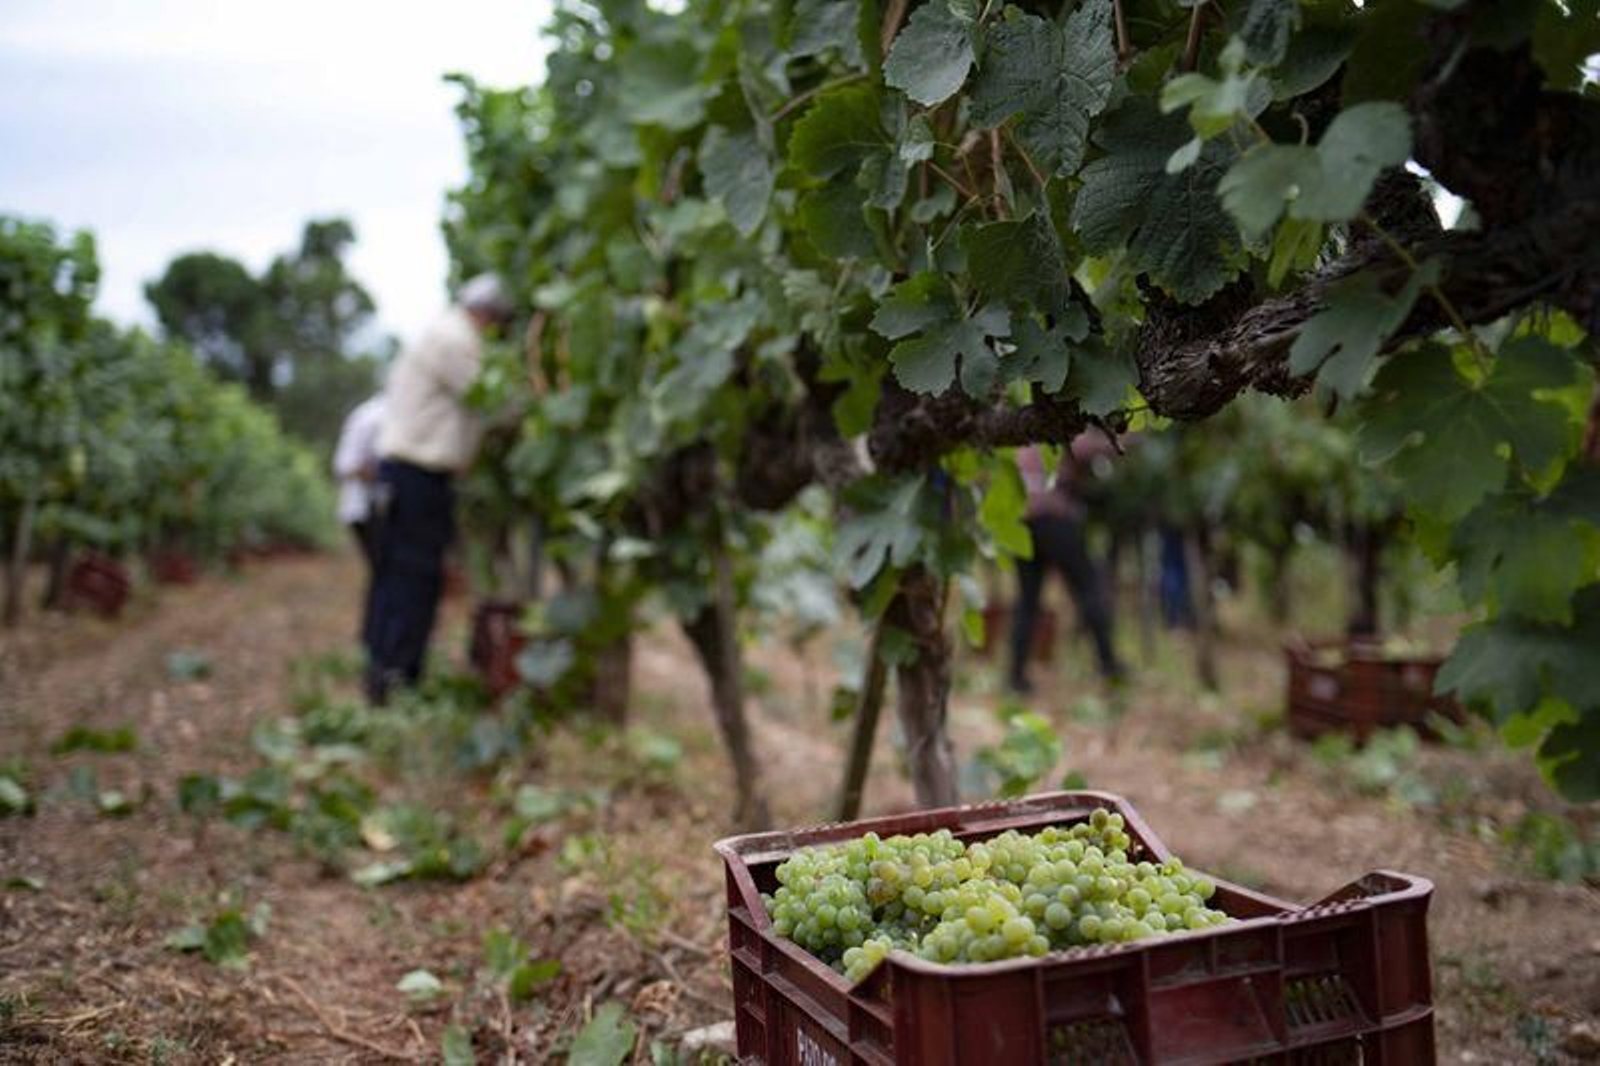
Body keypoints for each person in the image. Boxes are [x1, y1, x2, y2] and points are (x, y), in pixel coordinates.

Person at [364, 274, 513, 704]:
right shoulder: (454, 339)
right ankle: (395, 683)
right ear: (487, 314)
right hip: (418, 479)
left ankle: (387, 678)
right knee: (414, 579)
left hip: (407, 477)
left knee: (401, 577)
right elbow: (492, 399)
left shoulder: (443, 331)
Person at [1009, 437, 1124, 694]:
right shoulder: (1055, 427)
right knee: (1088, 587)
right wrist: (1126, 439)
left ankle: (1015, 677)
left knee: (1028, 600)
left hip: (1024, 521)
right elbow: (1088, 446)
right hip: (1054, 518)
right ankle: (1109, 665)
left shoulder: (1018, 429)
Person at [332, 393, 387, 565]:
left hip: (370, 508)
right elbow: (346, 465)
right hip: (366, 508)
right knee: (386, 568)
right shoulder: (375, 415)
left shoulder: (373, 413)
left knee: (385, 570)